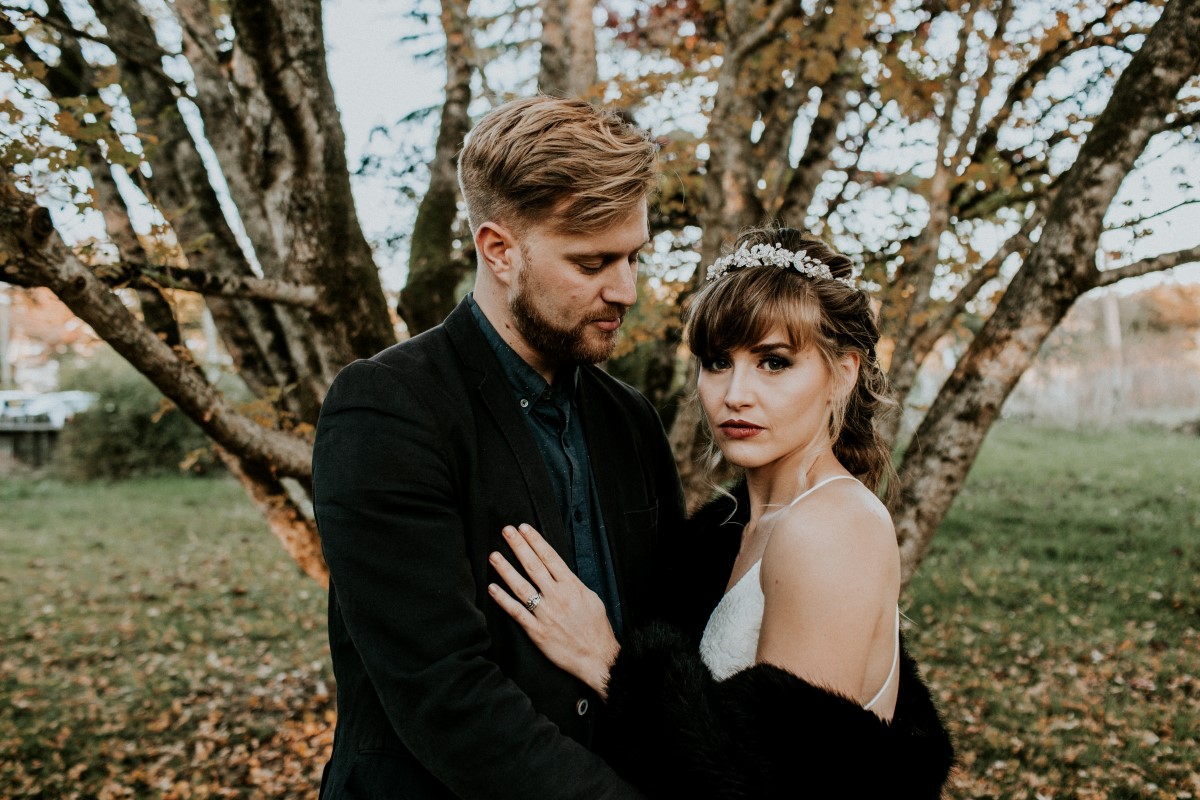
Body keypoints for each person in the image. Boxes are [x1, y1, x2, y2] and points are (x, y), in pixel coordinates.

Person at [311, 95, 689, 799]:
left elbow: (668, 635)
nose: (627, 289)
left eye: (634, 256)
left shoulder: (630, 419)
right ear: (499, 250)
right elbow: (443, 694)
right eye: (592, 262)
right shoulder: (387, 408)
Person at [490, 227, 955, 798]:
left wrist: (609, 663)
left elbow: (774, 789)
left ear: (844, 373)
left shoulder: (829, 527)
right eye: (717, 361)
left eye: (774, 362)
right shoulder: (731, 527)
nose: (735, 393)